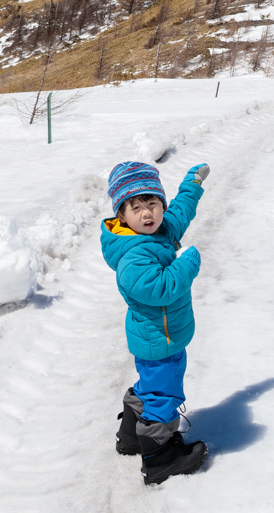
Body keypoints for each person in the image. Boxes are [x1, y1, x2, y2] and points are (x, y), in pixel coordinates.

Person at [101, 160, 210, 484]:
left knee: (151, 385)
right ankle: (160, 457)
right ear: (122, 215)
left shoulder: (158, 231)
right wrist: (187, 262)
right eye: (137, 208)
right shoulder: (133, 256)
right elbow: (160, 289)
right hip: (158, 339)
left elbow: (179, 212)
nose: (147, 214)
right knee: (164, 394)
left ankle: (131, 437)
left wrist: (192, 185)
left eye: (153, 204)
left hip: (160, 336)